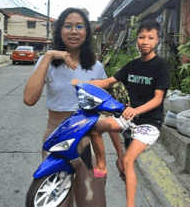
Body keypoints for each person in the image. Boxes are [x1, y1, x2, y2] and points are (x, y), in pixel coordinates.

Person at [72, 19, 171, 207]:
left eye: (150, 38)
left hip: (149, 123)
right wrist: (82, 83)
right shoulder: (133, 65)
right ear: (136, 40)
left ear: (157, 41)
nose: (145, 41)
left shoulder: (161, 67)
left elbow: (158, 99)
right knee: (94, 127)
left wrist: (135, 110)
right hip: (129, 117)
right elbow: (108, 82)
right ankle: (102, 164)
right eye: (142, 37)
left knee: (127, 161)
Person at [24, 7, 108, 207]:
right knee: (57, 203)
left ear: (86, 32)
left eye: (79, 26)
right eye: (68, 26)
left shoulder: (96, 67)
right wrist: (50, 55)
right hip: (56, 139)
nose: (73, 31)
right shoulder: (48, 64)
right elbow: (29, 98)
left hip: (89, 141)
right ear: (59, 31)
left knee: (93, 202)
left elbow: (105, 107)